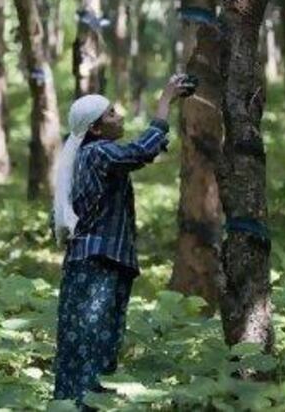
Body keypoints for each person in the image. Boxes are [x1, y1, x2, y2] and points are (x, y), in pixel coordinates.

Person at [51, 74, 192, 407]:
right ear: (96, 129)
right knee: (96, 349)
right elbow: (142, 151)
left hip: (86, 264)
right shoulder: (98, 153)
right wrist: (165, 101)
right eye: (112, 114)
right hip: (99, 265)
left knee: (77, 350)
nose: (121, 116)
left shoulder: (84, 157)